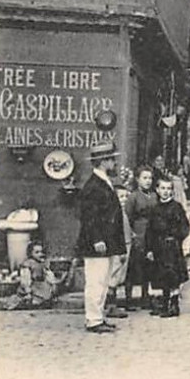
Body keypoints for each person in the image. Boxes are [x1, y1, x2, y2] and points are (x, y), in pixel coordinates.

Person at [76, 137, 127, 334]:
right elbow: (89, 217)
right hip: (96, 243)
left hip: (105, 242)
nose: (114, 163)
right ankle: (93, 319)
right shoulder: (94, 186)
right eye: (112, 160)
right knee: (96, 280)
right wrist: (97, 239)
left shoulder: (103, 182)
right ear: (103, 161)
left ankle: (98, 316)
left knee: (103, 280)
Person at [145, 176, 190, 318]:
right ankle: (163, 303)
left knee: (173, 275)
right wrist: (149, 249)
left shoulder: (176, 207)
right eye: (162, 188)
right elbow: (149, 230)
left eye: (169, 189)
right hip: (158, 246)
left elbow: (185, 227)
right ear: (157, 190)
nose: (165, 191)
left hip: (172, 246)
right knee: (161, 274)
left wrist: (176, 237)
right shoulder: (154, 209)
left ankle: (174, 304)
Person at [124, 166, 157, 309]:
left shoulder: (155, 196)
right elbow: (127, 218)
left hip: (152, 235)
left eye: (150, 178)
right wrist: (132, 234)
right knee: (133, 267)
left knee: (148, 267)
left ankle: (145, 295)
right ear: (137, 180)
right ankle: (128, 298)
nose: (148, 181)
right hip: (138, 234)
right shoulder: (133, 197)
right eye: (144, 178)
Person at [6, 240, 62, 310]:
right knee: (30, 299)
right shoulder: (28, 264)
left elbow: (48, 274)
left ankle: (41, 302)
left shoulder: (43, 263)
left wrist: (52, 282)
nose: (40, 254)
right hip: (32, 286)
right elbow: (25, 278)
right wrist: (27, 289)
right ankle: (27, 302)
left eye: (42, 252)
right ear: (30, 253)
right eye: (37, 252)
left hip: (41, 286)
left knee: (46, 295)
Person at [105, 183, 133, 317]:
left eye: (126, 196)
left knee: (119, 276)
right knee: (113, 277)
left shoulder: (122, 213)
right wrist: (119, 250)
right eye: (120, 196)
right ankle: (111, 305)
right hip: (119, 248)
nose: (124, 199)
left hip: (127, 244)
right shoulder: (114, 215)